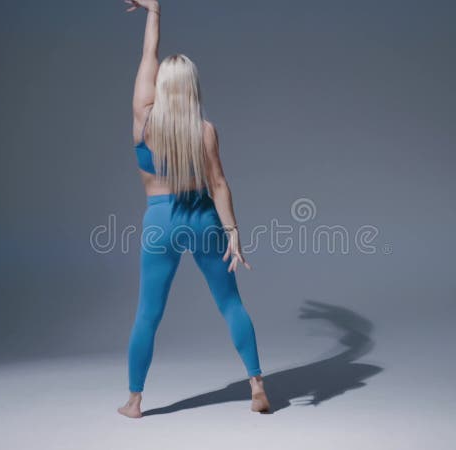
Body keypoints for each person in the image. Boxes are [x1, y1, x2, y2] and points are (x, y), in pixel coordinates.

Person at [117, 0, 270, 418]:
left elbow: (148, 55)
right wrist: (234, 234)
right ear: (192, 88)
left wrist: (154, 12)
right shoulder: (204, 131)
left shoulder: (143, 119)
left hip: (159, 222)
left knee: (148, 313)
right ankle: (257, 387)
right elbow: (219, 184)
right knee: (231, 304)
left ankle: (134, 401)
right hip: (203, 218)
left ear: (162, 86)